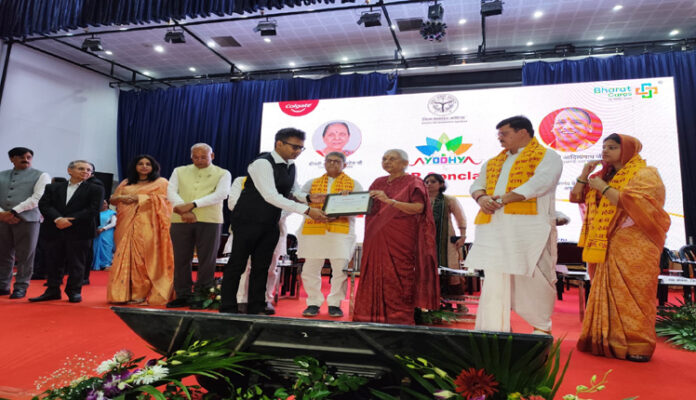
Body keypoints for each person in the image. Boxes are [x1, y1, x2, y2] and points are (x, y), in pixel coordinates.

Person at [571, 134, 670, 362]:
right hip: (605, 243)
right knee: (606, 292)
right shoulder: (601, 176)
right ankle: (604, 340)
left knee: (635, 295)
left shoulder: (645, 174)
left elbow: (639, 206)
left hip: (635, 244)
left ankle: (637, 345)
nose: (605, 151)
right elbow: (577, 197)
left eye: (612, 147)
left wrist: (604, 188)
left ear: (627, 151)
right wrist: (585, 175)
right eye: (604, 146)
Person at [465, 116, 562, 334]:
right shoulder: (493, 162)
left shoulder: (548, 156)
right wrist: (482, 198)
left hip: (529, 229)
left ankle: (541, 327)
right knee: (495, 278)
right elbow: (477, 185)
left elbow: (541, 183)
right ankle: (494, 329)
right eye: (499, 134)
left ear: (523, 132)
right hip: (494, 228)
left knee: (533, 277)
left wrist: (504, 199)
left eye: (504, 133)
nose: (500, 138)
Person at [220, 128, 328, 315]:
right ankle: (228, 306)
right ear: (279, 143)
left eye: (301, 148)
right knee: (237, 264)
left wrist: (309, 198)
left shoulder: (291, 165)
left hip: (270, 222)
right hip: (247, 221)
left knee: (263, 266)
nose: (298, 151)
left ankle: (256, 306)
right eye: (295, 147)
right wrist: (307, 210)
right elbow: (271, 195)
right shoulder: (262, 163)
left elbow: (293, 191)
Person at [352, 149, 439, 325]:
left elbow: (419, 208)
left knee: (399, 277)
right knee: (374, 275)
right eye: (384, 159)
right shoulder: (378, 181)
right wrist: (346, 198)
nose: (387, 162)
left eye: (392, 159)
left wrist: (390, 201)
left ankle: (399, 319)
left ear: (405, 163)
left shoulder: (413, 182)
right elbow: (365, 205)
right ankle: (370, 317)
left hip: (401, 238)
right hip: (376, 235)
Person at [298, 152, 363, 318]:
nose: (332, 164)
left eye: (337, 161)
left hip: (340, 231)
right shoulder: (312, 183)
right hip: (314, 230)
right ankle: (313, 302)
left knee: (340, 268)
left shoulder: (354, 184)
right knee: (310, 268)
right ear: (324, 163)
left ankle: (335, 303)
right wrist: (312, 204)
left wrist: (342, 208)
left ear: (344, 165)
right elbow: (299, 200)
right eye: (329, 161)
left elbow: (359, 205)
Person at [166, 144, 231, 309]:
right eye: (196, 157)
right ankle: (183, 295)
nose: (199, 160)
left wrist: (193, 204)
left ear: (212, 156)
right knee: (181, 258)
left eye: (203, 157)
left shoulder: (223, 173)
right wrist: (183, 209)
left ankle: (202, 295)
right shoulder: (179, 171)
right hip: (180, 218)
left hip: (210, 219)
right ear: (191, 156)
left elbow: (221, 194)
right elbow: (171, 191)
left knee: (207, 259)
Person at [30, 160, 103, 303]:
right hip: (55, 229)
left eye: (89, 170)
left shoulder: (96, 189)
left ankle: (74, 291)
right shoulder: (53, 187)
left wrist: (71, 220)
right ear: (70, 170)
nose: (86, 171)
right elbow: (44, 205)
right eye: (81, 168)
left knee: (77, 263)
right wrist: (58, 218)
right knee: (53, 262)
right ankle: (52, 290)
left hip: (80, 231)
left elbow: (93, 209)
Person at [107, 155, 174, 305]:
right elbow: (113, 199)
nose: (144, 166)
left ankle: (141, 293)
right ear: (135, 166)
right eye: (140, 164)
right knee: (124, 257)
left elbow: (167, 200)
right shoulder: (126, 182)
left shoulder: (161, 182)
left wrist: (140, 198)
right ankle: (122, 294)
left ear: (153, 167)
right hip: (125, 224)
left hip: (149, 226)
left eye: (148, 164)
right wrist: (122, 198)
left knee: (142, 259)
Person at [224, 173, 286, 315]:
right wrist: (259, 215)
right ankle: (241, 299)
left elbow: (288, 205)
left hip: (272, 227)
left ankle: (265, 299)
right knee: (242, 267)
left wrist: (270, 216)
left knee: (269, 267)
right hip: (245, 227)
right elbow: (232, 203)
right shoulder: (241, 181)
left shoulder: (281, 182)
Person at [0, 147, 50, 299]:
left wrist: (14, 211)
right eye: (21, 157)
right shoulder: (1, 175)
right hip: (2, 219)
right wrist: (2, 214)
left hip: (28, 220)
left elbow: (38, 197)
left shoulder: (41, 175)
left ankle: (21, 287)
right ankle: (3, 285)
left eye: (29, 157)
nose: (26, 159)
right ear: (12, 159)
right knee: (3, 254)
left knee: (25, 255)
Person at [423, 173, 467, 295]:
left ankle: (458, 301)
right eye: (426, 182)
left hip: (446, 241)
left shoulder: (449, 200)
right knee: (427, 268)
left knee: (451, 268)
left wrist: (463, 236)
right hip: (425, 240)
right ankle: (432, 302)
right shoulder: (420, 201)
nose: (429, 184)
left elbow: (460, 218)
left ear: (441, 184)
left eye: (433, 182)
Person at [91, 200, 116, 270]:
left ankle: (106, 264)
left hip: (106, 232)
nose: (103, 204)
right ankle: (95, 264)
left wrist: (103, 228)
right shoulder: (96, 213)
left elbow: (114, 223)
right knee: (95, 247)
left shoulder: (111, 213)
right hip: (96, 232)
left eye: (104, 203)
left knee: (106, 247)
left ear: (107, 204)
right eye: (101, 203)